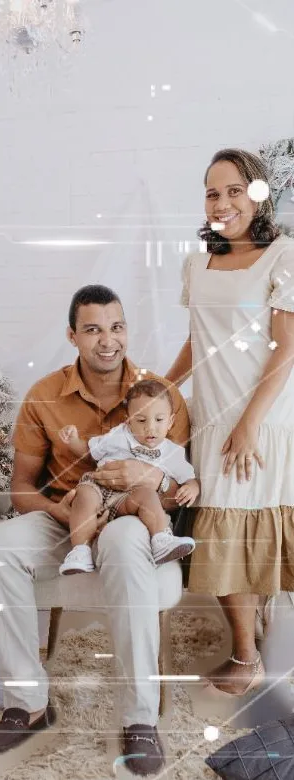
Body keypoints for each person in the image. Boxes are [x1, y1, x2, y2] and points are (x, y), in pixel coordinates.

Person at [0, 283, 190, 776]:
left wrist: (152, 478)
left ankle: (140, 720)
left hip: (133, 517)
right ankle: (27, 704)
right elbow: (21, 489)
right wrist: (66, 511)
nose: (107, 340)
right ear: (73, 336)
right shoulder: (45, 396)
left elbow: (181, 476)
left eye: (116, 327)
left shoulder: (160, 393)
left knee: (125, 541)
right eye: (93, 329)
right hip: (67, 515)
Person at [165, 148, 294, 698]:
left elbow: (287, 348)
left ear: (257, 195)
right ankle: (248, 651)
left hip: (263, 419)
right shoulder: (197, 264)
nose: (222, 203)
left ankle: (260, 650)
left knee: (257, 523)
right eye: (213, 193)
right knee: (219, 532)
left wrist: (249, 424)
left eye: (234, 190)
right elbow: (199, 341)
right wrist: (166, 390)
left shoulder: (283, 256)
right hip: (212, 419)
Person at [58, 378, 198, 574]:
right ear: (129, 419)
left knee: (148, 496)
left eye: (159, 420)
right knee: (83, 494)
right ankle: (80, 551)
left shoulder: (172, 452)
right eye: (141, 420)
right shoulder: (119, 435)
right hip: (99, 488)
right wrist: (72, 440)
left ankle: (160, 539)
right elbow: (89, 452)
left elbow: (188, 478)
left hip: (128, 499)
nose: (150, 428)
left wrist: (193, 487)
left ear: (171, 421)